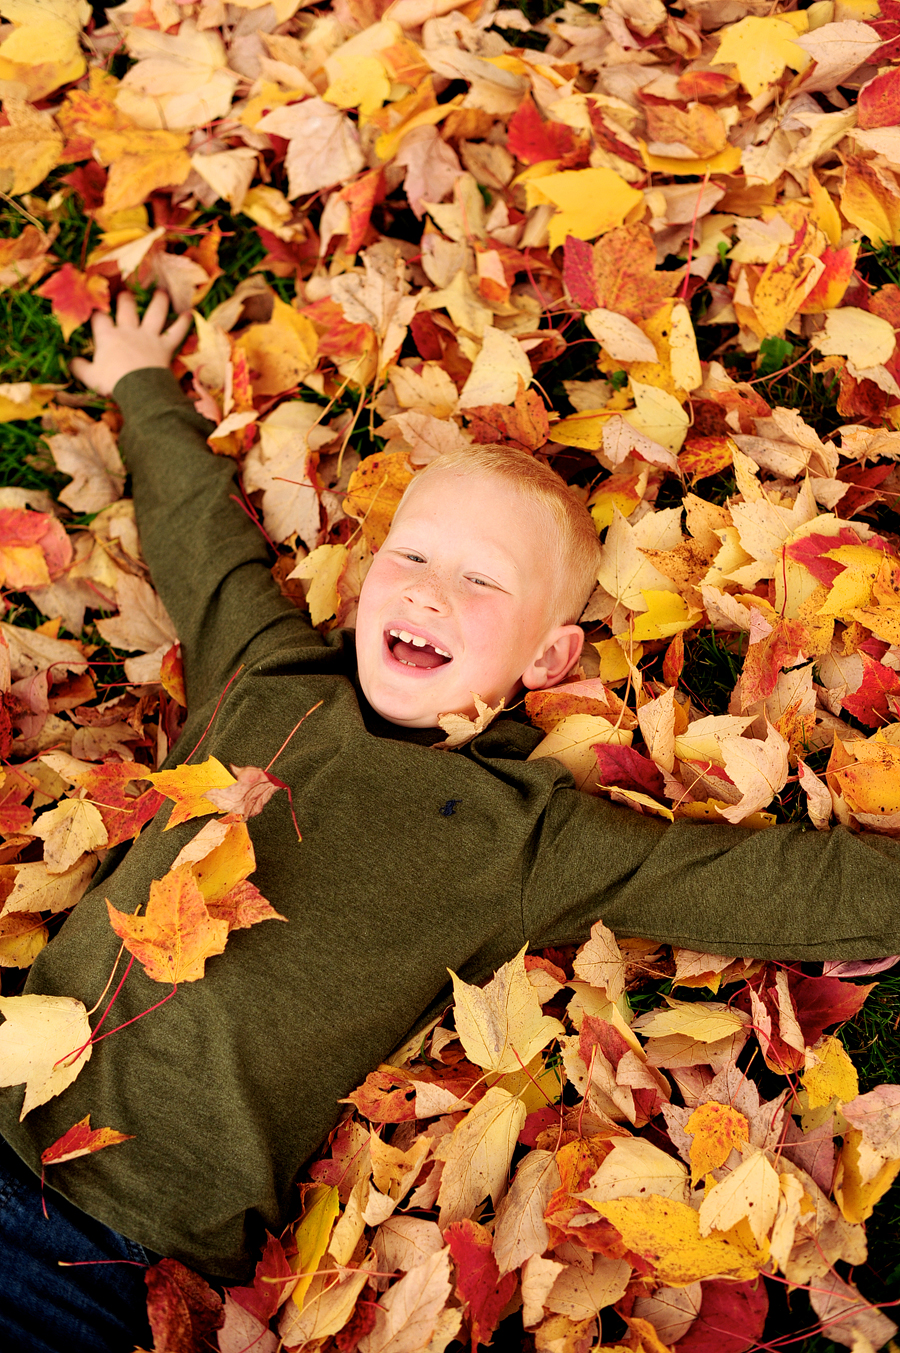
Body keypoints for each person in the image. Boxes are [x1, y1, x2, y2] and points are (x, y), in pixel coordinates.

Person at [0, 293, 898, 1351]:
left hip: (106, 1233)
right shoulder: (269, 673)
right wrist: (142, 387)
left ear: (547, 663)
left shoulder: (520, 833)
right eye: (413, 558)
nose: (428, 592)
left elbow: (740, 882)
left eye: (480, 582)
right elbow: (204, 543)